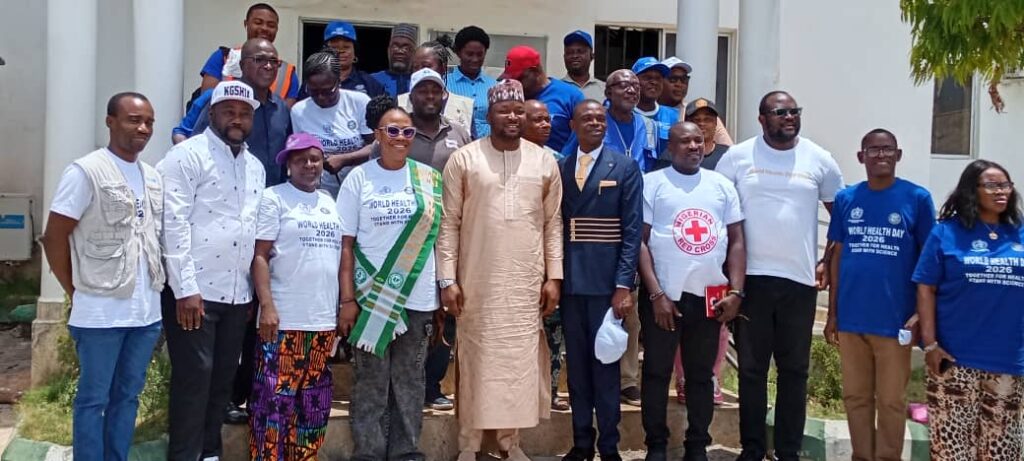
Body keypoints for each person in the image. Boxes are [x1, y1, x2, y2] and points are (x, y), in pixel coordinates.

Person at [437, 80, 563, 461]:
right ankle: (469, 444)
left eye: (518, 111)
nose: (512, 117)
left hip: (525, 282)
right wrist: (447, 279)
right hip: (476, 280)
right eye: (504, 110)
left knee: (517, 364)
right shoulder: (464, 159)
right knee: (476, 360)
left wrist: (554, 277)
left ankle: (510, 443)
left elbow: (553, 224)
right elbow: (449, 223)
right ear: (488, 115)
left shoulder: (544, 162)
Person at [715, 91, 844, 461]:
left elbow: (841, 216)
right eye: (780, 112)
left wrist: (826, 259)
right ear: (762, 119)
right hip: (751, 281)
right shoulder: (737, 157)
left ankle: (788, 450)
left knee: (794, 371)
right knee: (752, 371)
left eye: (794, 111)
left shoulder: (820, 159)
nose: (789, 117)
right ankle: (753, 448)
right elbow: (717, 210)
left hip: (799, 283)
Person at [39, 92, 163, 461]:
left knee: (128, 396)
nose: (143, 128)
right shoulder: (86, 171)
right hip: (99, 313)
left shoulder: (151, 176)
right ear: (110, 122)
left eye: (149, 122)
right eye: (134, 120)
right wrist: (74, 290)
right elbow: (54, 236)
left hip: (145, 314)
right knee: (93, 400)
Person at [183, 37, 294, 426]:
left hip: (264, 220)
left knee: (253, 315)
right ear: (242, 63)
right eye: (259, 59)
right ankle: (224, 400)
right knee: (230, 323)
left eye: (273, 61)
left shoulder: (282, 110)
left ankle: (245, 393)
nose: (267, 66)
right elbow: (193, 141)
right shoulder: (218, 103)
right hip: (221, 227)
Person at [158, 81, 266, 461]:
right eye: (229, 111)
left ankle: (209, 453)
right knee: (194, 380)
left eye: (245, 113)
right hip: (194, 293)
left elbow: (250, 229)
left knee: (222, 381)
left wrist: (249, 293)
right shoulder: (186, 156)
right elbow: (172, 224)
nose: (237, 119)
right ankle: (184, 455)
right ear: (212, 113)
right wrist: (185, 289)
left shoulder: (255, 167)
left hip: (236, 295)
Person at [823, 129, 935, 461]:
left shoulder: (917, 198)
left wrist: (920, 313)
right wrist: (832, 313)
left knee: (891, 400)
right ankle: (861, 455)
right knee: (855, 397)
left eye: (887, 149)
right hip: (851, 318)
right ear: (861, 157)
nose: (880, 155)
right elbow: (837, 255)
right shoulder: (846, 199)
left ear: (898, 155)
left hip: (895, 320)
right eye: (873, 150)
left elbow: (929, 260)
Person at [338, 106, 442, 461]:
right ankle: (368, 452)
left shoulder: (429, 179)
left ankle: (405, 450)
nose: (400, 138)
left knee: (410, 378)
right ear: (377, 135)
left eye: (407, 132)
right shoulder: (359, 179)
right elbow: (346, 244)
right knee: (371, 378)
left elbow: (440, 239)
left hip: (418, 296)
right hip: (370, 296)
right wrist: (347, 299)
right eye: (392, 131)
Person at [639, 121, 746, 461]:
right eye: (685, 141)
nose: (694, 147)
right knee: (656, 373)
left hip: (709, 297)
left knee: (701, 376)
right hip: (664, 297)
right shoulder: (653, 183)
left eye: (698, 140)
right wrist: (656, 294)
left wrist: (737, 292)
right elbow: (640, 242)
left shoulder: (722, 185)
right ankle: (656, 445)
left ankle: (697, 445)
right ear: (670, 147)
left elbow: (737, 241)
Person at [912, 159, 1024, 460]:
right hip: (953, 359)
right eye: (992, 185)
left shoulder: (1020, 234)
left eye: (1005, 184)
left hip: (1007, 361)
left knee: (1003, 451)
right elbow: (926, 287)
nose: (1001, 191)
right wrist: (930, 344)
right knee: (952, 449)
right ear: (972, 191)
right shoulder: (946, 233)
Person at [558, 100, 642, 461]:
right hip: (571, 284)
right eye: (587, 118)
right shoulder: (561, 167)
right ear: (573, 126)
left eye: (600, 118)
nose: (595, 123)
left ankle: (609, 446)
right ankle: (581, 443)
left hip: (607, 285)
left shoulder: (624, 166)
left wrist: (624, 285)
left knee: (606, 367)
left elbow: (632, 231)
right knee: (577, 371)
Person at [249, 133, 340, 460]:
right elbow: (260, 256)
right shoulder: (274, 198)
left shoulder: (330, 202)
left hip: (322, 322)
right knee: (274, 403)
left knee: (313, 407)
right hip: (284, 320)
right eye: (301, 159)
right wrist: (267, 306)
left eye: (315, 158)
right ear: (288, 164)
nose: (309, 165)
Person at [290, 50, 374, 197]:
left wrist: (345, 159)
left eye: (328, 91)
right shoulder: (299, 111)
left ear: (339, 81)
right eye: (314, 91)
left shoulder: (360, 102)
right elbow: (299, 153)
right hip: (319, 191)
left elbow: (376, 146)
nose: (321, 97)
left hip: (359, 188)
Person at [197, 3, 299, 106]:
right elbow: (206, 104)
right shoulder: (223, 58)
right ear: (246, 24)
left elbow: (285, 113)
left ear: (277, 29)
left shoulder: (287, 72)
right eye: (258, 22)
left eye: (271, 25)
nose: (264, 28)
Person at [502, 45, 584, 153]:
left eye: (519, 78)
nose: (515, 83)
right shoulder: (513, 96)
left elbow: (580, 135)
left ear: (535, 71)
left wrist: (563, 160)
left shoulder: (570, 95)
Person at [397, 40, 474, 135]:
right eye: (416, 67)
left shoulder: (465, 106)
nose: (420, 72)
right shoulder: (400, 103)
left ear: (443, 68)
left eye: (426, 66)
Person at [658, 57, 732, 146]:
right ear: (660, 81)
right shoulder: (650, 111)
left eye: (684, 80)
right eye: (673, 79)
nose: (679, 84)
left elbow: (728, 148)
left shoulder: (699, 113)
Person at [446, 25, 497, 139]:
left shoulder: (494, 86)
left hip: (489, 145)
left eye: (480, 54)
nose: (475, 59)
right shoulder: (444, 83)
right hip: (454, 144)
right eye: (469, 54)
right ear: (458, 52)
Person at [321, 21, 385, 98]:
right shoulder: (314, 81)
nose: (341, 51)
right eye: (335, 47)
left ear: (355, 52)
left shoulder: (370, 84)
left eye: (346, 47)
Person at [631, 57, 679, 156]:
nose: (654, 82)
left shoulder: (674, 116)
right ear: (633, 81)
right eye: (647, 78)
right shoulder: (623, 114)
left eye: (658, 78)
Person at [371, 23, 418, 97]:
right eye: (395, 46)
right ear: (388, 50)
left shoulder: (420, 81)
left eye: (406, 48)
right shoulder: (372, 80)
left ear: (414, 53)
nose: (399, 51)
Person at [561, 30, 605, 101]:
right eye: (569, 52)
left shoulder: (604, 90)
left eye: (580, 51)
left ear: (592, 56)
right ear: (564, 57)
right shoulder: (555, 90)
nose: (575, 56)